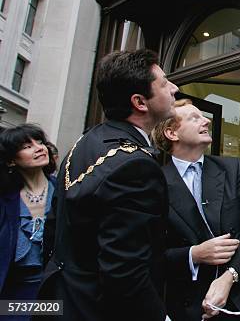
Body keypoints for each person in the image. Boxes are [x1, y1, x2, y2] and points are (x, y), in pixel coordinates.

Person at [38, 49, 178, 321]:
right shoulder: (135, 166)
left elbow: (53, 230)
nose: (174, 88)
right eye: (163, 83)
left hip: (65, 298)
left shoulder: (85, 143)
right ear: (139, 102)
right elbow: (125, 270)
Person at [152, 99, 240, 321]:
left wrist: (229, 277)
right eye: (194, 117)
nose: (206, 120)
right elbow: (150, 253)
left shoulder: (232, 168)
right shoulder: (154, 182)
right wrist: (194, 254)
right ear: (171, 133)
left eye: (203, 116)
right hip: (196, 305)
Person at [0, 124, 56, 320]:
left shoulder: (66, 193)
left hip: (55, 293)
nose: (39, 148)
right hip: (12, 295)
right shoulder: (5, 199)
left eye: (40, 142)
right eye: (27, 146)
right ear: (11, 161)